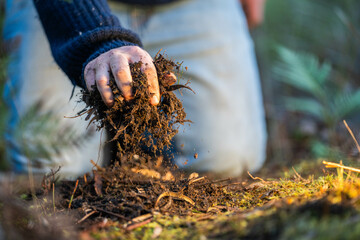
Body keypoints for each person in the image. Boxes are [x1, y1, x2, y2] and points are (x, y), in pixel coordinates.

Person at [3, 0, 267, 178]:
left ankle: (137, 153)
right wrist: (97, 39)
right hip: (62, 8)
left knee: (228, 162)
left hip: (193, 6)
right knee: (50, 169)